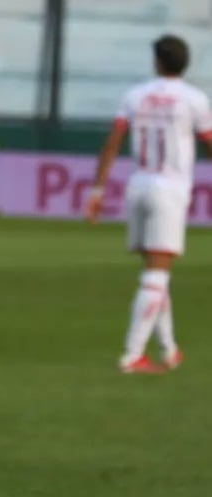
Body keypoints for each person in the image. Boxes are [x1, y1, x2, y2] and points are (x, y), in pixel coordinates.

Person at [85, 34, 212, 374]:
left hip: (138, 184)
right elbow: (210, 143)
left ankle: (168, 349)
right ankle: (132, 355)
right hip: (169, 190)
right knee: (157, 273)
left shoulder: (134, 96)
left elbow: (112, 143)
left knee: (155, 270)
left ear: (156, 61)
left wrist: (96, 192)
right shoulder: (195, 99)